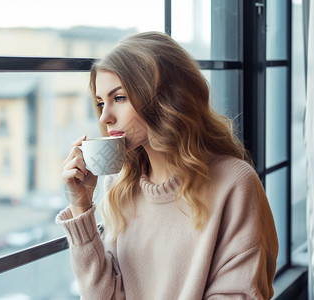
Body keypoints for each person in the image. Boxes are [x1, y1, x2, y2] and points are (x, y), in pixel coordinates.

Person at [57, 31, 278, 299]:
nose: (105, 117)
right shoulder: (118, 187)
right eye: (101, 102)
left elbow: (241, 293)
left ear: (163, 97)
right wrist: (81, 205)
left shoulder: (234, 182)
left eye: (119, 98)